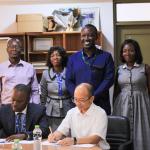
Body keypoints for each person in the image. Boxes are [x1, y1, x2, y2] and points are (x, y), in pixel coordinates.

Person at [65, 24, 114, 115]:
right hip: (79, 106)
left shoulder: (106, 57)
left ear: (96, 37)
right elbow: (68, 81)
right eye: (83, 35)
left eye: (90, 35)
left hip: (100, 105)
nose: (86, 38)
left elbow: (109, 79)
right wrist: (79, 98)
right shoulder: (72, 58)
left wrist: (93, 97)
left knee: (100, 129)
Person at [113, 39, 150, 150]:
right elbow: (116, 91)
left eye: (131, 50)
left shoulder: (145, 68)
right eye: (125, 51)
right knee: (123, 132)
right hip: (122, 105)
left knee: (142, 131)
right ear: (122, 53)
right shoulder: (119, 70)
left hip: (142, 105)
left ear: (136, 52)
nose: (127, 53)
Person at [48, 83, 110, 150]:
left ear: (91, 99)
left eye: (82, 100)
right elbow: (61, 131)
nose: (78, 103)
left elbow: (95, 138)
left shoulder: (100, 113)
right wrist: (55, 136)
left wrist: (74, 141)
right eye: (76, 99)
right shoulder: (71, 112)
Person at [40, 46, 74, 131]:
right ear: (49, 59)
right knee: (55, 135)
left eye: (58, 55)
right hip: (51, 109)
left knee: (68, 133)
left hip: (68, 107)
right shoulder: (45, 74)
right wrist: (43, 109)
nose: (55, 57)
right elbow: (43, 94)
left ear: (63, 57)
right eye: (52, 56)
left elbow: (74, 91)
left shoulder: (70, 72)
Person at [0, 38, 40, 104]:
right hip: (7, 106)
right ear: (7, 50)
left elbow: (35, 90)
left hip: (26, 107)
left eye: (17, 47)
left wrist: (36, 107)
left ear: (21, 50)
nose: (14, 49)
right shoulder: (1, 67)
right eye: (11, 47)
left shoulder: (29, 67)